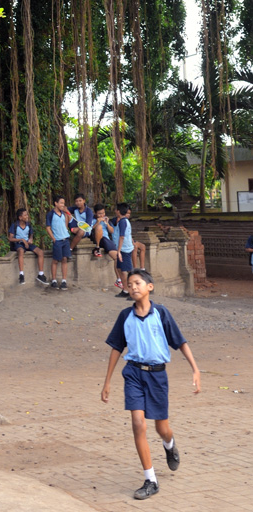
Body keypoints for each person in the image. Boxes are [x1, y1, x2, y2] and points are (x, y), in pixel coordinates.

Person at [101, 268, 201, 500]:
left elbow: (180, 342)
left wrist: (195, 369)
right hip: (134, 373)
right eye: (129, 284)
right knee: (138, 423)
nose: (133, 287)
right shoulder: (125, 316)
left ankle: (170, 444)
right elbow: (116, 348)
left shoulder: (162, 314)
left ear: (150, 287)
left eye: (137, 283)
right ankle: (150, 480)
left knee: (161, 428)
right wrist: (107, 382)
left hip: (157, 376)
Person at [8, 208, 48, 284]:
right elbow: (10, 238)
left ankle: (41, 274)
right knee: (21, 251)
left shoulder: (28, 225)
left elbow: (31, 234)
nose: (27, 216)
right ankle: (21, 275)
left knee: (40, 252)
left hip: (27, 243)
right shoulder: (15, 225)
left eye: (27, 215)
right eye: (25, 215)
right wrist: (22, 240)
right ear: (20, 217)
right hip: (18, 243)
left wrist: (31, 239)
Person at [45, 194, 74, 289]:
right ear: (55, 203)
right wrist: (53, 238)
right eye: (61, 203)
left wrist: (67, 212)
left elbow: (70, 221)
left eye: (64, 203)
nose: (63, 205)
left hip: (65, 239)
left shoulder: (64, 213)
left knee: (64, 259)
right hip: (57, 240)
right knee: (55, 260)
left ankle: (64, 280)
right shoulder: (50, 214)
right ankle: (53, 280)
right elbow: (48, 227)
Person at [113, 202, 135, 299]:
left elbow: (122, 236)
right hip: (124, 248)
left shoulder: (122, 222)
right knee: (121, 269)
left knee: (125, 270)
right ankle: (125, 289)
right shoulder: (124, 221)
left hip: (124, 249)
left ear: (118, 211)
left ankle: (130, 291)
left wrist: (118, 251)